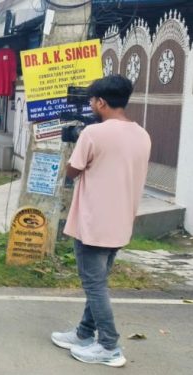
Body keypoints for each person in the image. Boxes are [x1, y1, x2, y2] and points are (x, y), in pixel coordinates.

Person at [51, 75, 150, 368]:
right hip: (121, 221)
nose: (92, 105)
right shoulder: (142, 134)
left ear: (101, 102)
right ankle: (84, 333)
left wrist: (74, 149)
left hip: (93, 221)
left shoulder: (93, 134)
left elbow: (72, 171)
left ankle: (109, 345)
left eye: (93, 101)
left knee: (94, 286)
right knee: (99, 283)